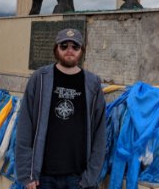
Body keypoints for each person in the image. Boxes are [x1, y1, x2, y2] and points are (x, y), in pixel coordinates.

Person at [15, 28, 106, 189]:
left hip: (78, 178)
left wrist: (90, 176)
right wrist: (27, 174)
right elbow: (25, 126)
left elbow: (100, 133)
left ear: (81, 50)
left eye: (75, 47)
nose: (69, 51)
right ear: (56, 49)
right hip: (43, 177)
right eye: (64, 46)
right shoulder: (40, 79)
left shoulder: (92, 83)